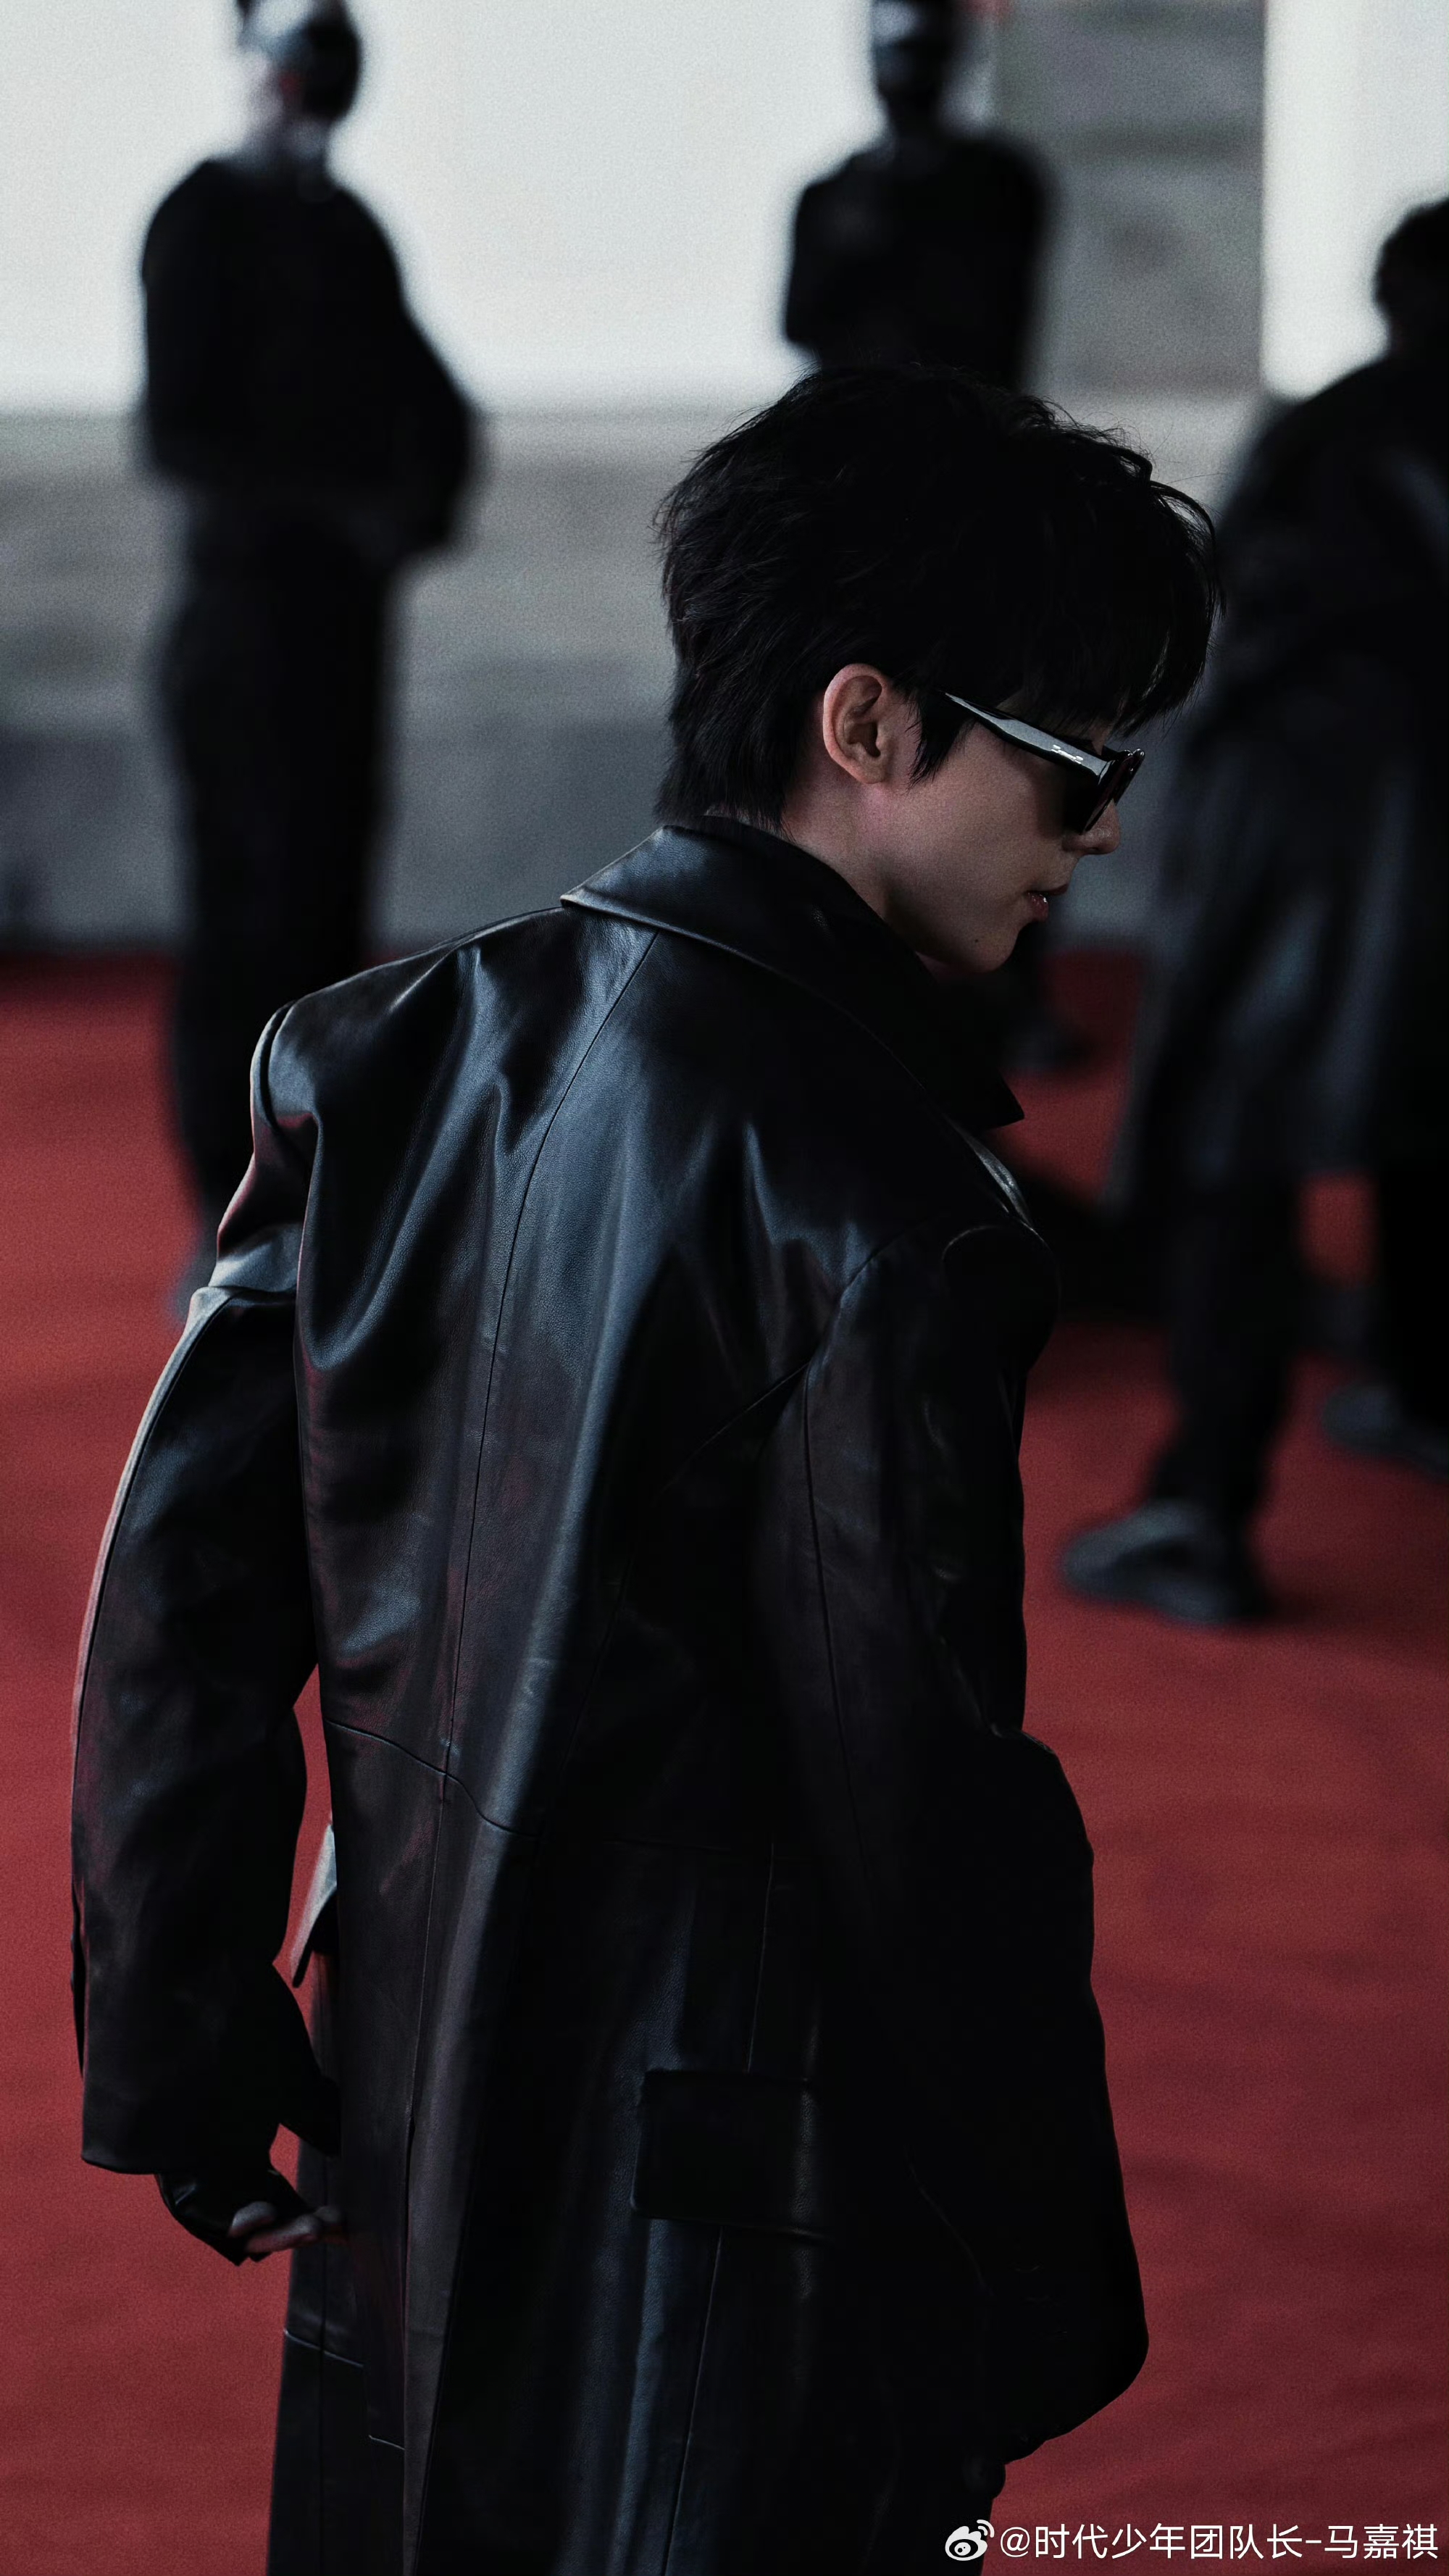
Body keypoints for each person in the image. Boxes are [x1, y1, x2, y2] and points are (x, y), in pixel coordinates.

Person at [71, 370, 1217, 2575]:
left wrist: (186, 2029)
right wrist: (1026, 2285)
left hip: (404, 2090)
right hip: (728, 2217)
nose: (1100, 836)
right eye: (1078, 765)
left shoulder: (372, 1054)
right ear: (865, 723)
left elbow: (183, 1612)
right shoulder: (892, 1208)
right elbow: (917, 1808)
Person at [1061, 200, 1449, 1630]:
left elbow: (1229, 636)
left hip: (1309, 850)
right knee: (1426, 1124)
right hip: (1411, 851)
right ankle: (1424, 1388)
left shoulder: (1328, 437)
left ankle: (1202, 1510)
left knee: (1232, 1153)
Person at [142, 0, 473, 1255]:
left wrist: (410, 514)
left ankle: (316, 1204)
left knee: (327, 930)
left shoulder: (347, 233)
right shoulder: (204, 220)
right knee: (246, 926)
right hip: (244, 643)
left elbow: (434, 408)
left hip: (339, 642)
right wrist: (344, 516)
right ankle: (227, 1214)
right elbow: (180, 437)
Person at [784, 0, 1050, 385]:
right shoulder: (833, 195)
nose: (906, 80)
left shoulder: (1001, 185)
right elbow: (799, 323)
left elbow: (996, 322)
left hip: (960, 412)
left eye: (922, 58)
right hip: (864, 413)